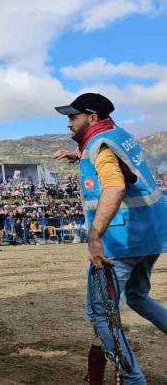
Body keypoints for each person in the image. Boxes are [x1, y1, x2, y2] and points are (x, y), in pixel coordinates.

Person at [53, 93, 167, 384]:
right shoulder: (117, 135)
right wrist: (76, 156)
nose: (68, 123)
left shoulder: (100, 146)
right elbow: (120, 166)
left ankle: (132, 379)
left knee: (101, 315)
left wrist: (94, 235)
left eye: (72, 116)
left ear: (92, 118)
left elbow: (114, 186)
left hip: (121, 240)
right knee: (139, 298)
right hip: (150, 236)